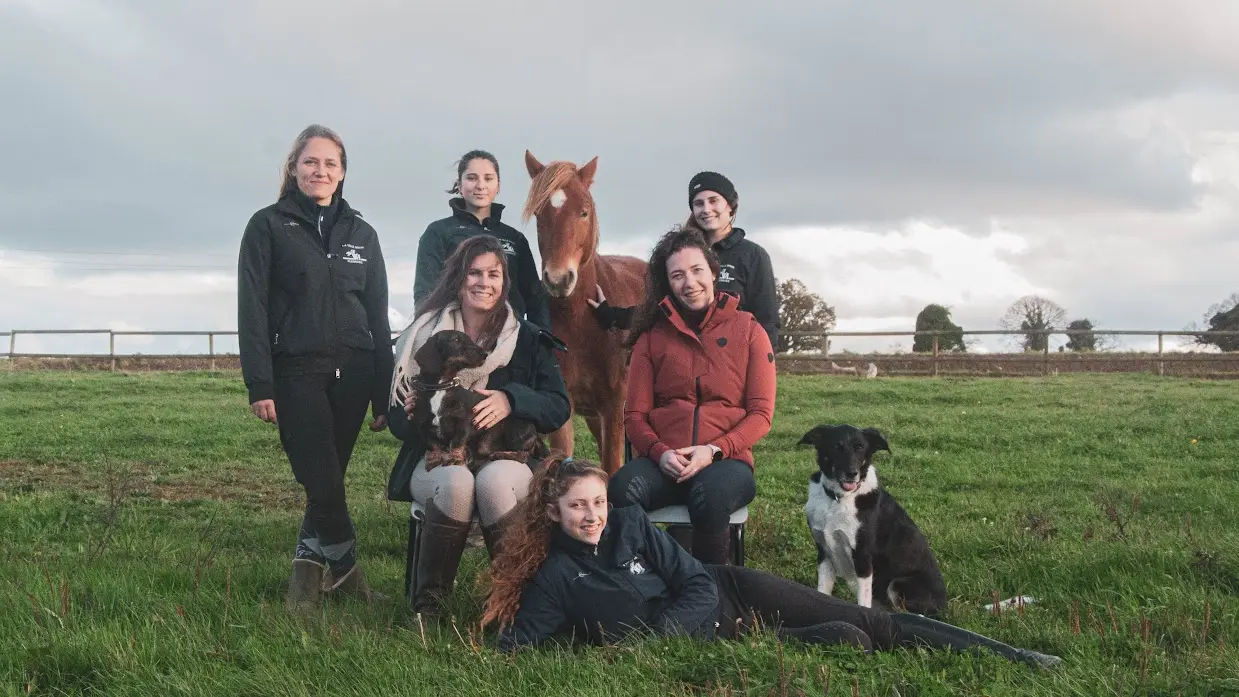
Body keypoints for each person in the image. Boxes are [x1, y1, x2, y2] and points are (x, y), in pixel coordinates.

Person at [483, 457, 1062, 670]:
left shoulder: (632, 525)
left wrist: (657, 637)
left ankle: (1018, 658)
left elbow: (693, 581)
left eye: (599, 502)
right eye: (578, 507)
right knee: (837, 636)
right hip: (720, 639)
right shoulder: (558, 577)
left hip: (729, 592)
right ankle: (819, 636)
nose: (593, 516)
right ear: (554, 512)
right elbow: (519, 642)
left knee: (873, 625)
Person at [237, 124, 393, 610]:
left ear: (342, 173)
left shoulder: (362, 234)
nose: (320, 171)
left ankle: (304, 581)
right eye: (311, 162)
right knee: (320, 477)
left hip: (357, 371)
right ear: (294, 168)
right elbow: (252, 309)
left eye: (330, 163)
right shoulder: (267, 226)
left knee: (328, 478)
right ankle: (348, 574)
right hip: (296, 373)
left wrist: (382, 390)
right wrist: (260, 383)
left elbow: (378, 313)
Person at [386, 234, 571, 615]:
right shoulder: (422, 336)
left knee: (493, 480)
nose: (483, 283)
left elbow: (558, 407)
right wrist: (411, 411)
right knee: (457, 481)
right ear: (458, 278)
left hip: (504, 456)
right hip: (436, 459)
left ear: (505, 281)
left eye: (493, 274)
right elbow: (398, 426)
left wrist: (512, 399)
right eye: (474, 273)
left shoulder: (528, 339)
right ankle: (430, 608)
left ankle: (516, 602)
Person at [608, 227, 775, 564]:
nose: (690, 282)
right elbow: (634, 416)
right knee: (622, 488)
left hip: (725, 462)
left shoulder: (749, 331)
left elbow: (761, 414)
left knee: (709, 496)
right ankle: (644, 579)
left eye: (697, 270)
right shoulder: (651, 338)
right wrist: (659, 452)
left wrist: (714, 450)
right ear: (667, 283)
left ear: (713, 272)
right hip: (664, 461)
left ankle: (712, 592)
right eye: (678, 275)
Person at [590, 171, 780, 349]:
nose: (706, 209)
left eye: (713, 201)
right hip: (685, 360)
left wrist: (760, 367)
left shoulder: (752, 255)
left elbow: (767, 322)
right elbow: (659, 309)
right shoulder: (680, 253)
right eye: (699, 204)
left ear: (730, 206)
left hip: (732, 362)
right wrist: (612, 315)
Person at [414, 150, 550, 330]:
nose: (480, 185)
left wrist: (541, 341)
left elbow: (535, 298)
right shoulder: (438, 232)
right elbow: (425, 293)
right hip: (457, 339)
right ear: (459, 185)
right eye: (472, 178)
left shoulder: (515, 239)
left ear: (498, 186)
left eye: (488, 178)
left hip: (509, 341)